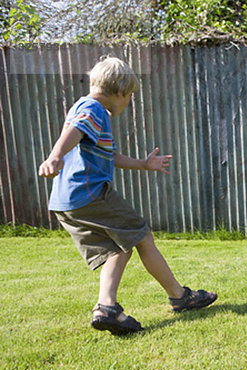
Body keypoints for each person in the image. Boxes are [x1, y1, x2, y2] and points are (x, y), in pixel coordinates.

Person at [38, 56, 217, 335]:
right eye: (130, 96)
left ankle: (106, 308)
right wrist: (55, 157)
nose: (129, 101)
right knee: (141, 235)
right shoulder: (94, 109)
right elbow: (74, 131)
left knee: (118, 247)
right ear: (120, 92)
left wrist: (143, 164)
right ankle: (179, 296)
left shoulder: (82, 108)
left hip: (65, 202)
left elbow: (109, 156)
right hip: (90, 194)